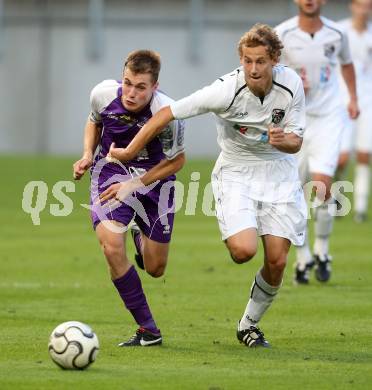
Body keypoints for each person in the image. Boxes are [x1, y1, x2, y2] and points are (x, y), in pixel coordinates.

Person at [105, 24, 308, 348]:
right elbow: (167, 113)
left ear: (274, 60)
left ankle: (248, 325)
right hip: (236, 172)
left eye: (260, 61)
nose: (253, 69)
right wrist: (130, 151)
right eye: (247, 61)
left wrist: (284, 141)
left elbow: (296, 142)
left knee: (278, 261)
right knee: (243, 251)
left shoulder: (291, 84)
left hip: (279, 173)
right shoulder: (225, 90)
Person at [73, 50, 185, 347]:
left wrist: (135, 185)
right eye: (128, 83)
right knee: (111, 247)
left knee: (155, 268)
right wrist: (87, 154)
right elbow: (94, 120)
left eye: (141, 87)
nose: (131, 93)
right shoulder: (103, 94)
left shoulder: (170, 114)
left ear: (155, 86)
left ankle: (138, 232)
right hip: (109, 174)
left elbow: (176, 162)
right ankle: (148, 329)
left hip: (156, 180)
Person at [275, 0, 359, 284]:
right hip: (294, 119)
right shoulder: (281, 35)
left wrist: (354, 99)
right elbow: (268, 75)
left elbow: (346, 65)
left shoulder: (337, 34)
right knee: (292, 191)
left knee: (322, 186)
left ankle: (323, 249)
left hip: (328, 117)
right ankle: (303, 255)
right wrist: (291, 83)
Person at [338, 0, 372, 223]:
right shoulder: (340, 31)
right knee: (340, 158)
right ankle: (337, 200)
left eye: (368, 6)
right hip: (341, 101)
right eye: (360, 5)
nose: (364, 10)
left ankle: (360, 208)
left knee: (364, 155)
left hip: (367, 102)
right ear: (352, 6)